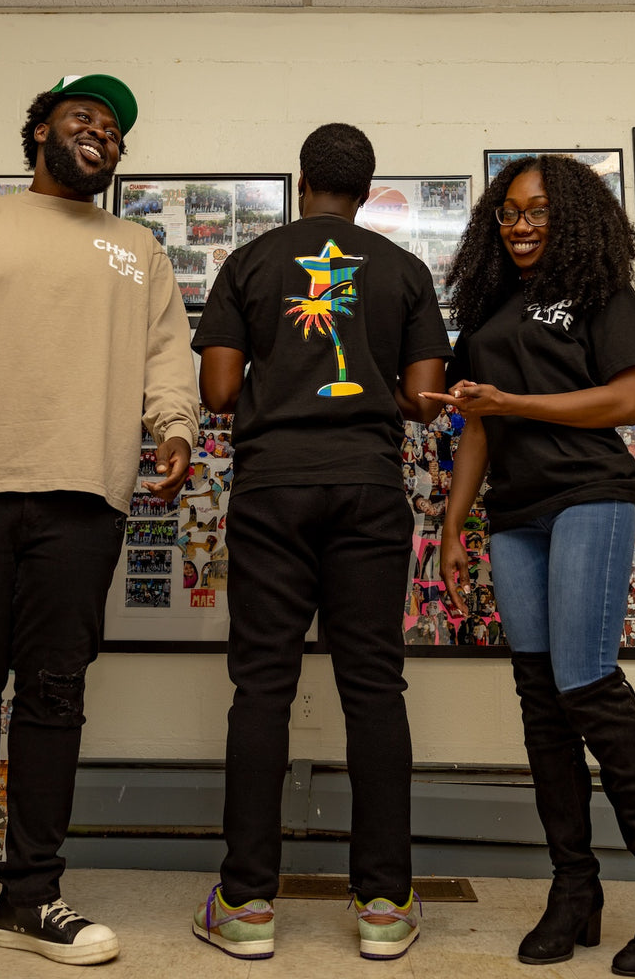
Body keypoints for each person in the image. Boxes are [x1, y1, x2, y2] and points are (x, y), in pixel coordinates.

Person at [0, 73, 199, 965]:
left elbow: (167, 356)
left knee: (55, 695)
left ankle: (33, 896)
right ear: (42, 131)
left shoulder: (138, 248)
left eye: (118, 131)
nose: (104, 134)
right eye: (85, 117)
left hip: (83, 495)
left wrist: (174, 427)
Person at [423, 155, 635, 976]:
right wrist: (454, 526)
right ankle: (573, 888)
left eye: (538, 211)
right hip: (513, 513)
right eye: (508, 213)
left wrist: (509, 403)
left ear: (573, 216)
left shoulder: (598, 293)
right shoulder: (487, 310)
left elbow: (622, 401)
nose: (520, 225)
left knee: (586, 683)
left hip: (588, 493)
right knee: (540, 698)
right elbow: (475, 426)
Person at [189, 123, 451, 962]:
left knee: (261, 689)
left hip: (272, 489)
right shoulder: (405, 272)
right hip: (369, 491)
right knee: (373, 688)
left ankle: (245, 905)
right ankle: (382, 903)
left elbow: (221, 391)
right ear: (369, 190)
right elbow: (421, 397)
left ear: (301, 181)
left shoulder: (252, 261)